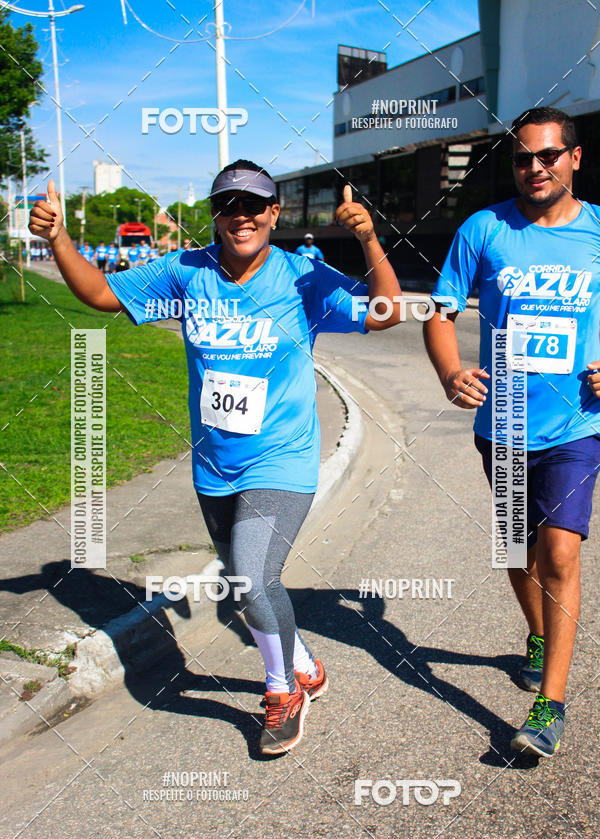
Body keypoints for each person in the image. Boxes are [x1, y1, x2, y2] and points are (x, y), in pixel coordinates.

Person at [29, 159, 403, 756]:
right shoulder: (185, 272)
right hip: (214, 463)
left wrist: (368, 238)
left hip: (281, 458)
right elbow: (101, 294)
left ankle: (282, 692)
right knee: (242, 584)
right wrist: (58, 238)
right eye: (229, 205)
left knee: (255, 577)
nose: (242, 215)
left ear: (274, 214)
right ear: (215, 215)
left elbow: (385, 313)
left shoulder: (303, 278)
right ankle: (304, 662)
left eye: (255, 204)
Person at [423, 107, 600, 759]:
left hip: (579, 424)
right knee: (514, 553)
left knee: (558, 554)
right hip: (500, 426)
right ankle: (534, 632)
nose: (535, 168)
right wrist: (450, 372)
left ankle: (549, 704)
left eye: (548, 155)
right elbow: (441, 313)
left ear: (574, 158)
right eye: (524, 157)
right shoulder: (483, 229)